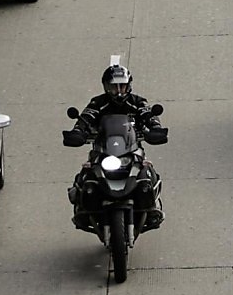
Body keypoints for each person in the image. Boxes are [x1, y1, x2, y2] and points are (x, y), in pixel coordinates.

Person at [63, 62, 167, 231]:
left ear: (129, 86)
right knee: (85, 174)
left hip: (131, 148)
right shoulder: (98, 103)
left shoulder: (138, 102)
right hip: (103, 149)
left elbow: (148, 115)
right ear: (106, 87)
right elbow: (85, 118)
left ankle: (152, 208)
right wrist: (78, 132)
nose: (118, 91)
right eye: (113, 87)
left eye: (122, 86)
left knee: (147, 171)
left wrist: (155, 128)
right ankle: (82, 210)